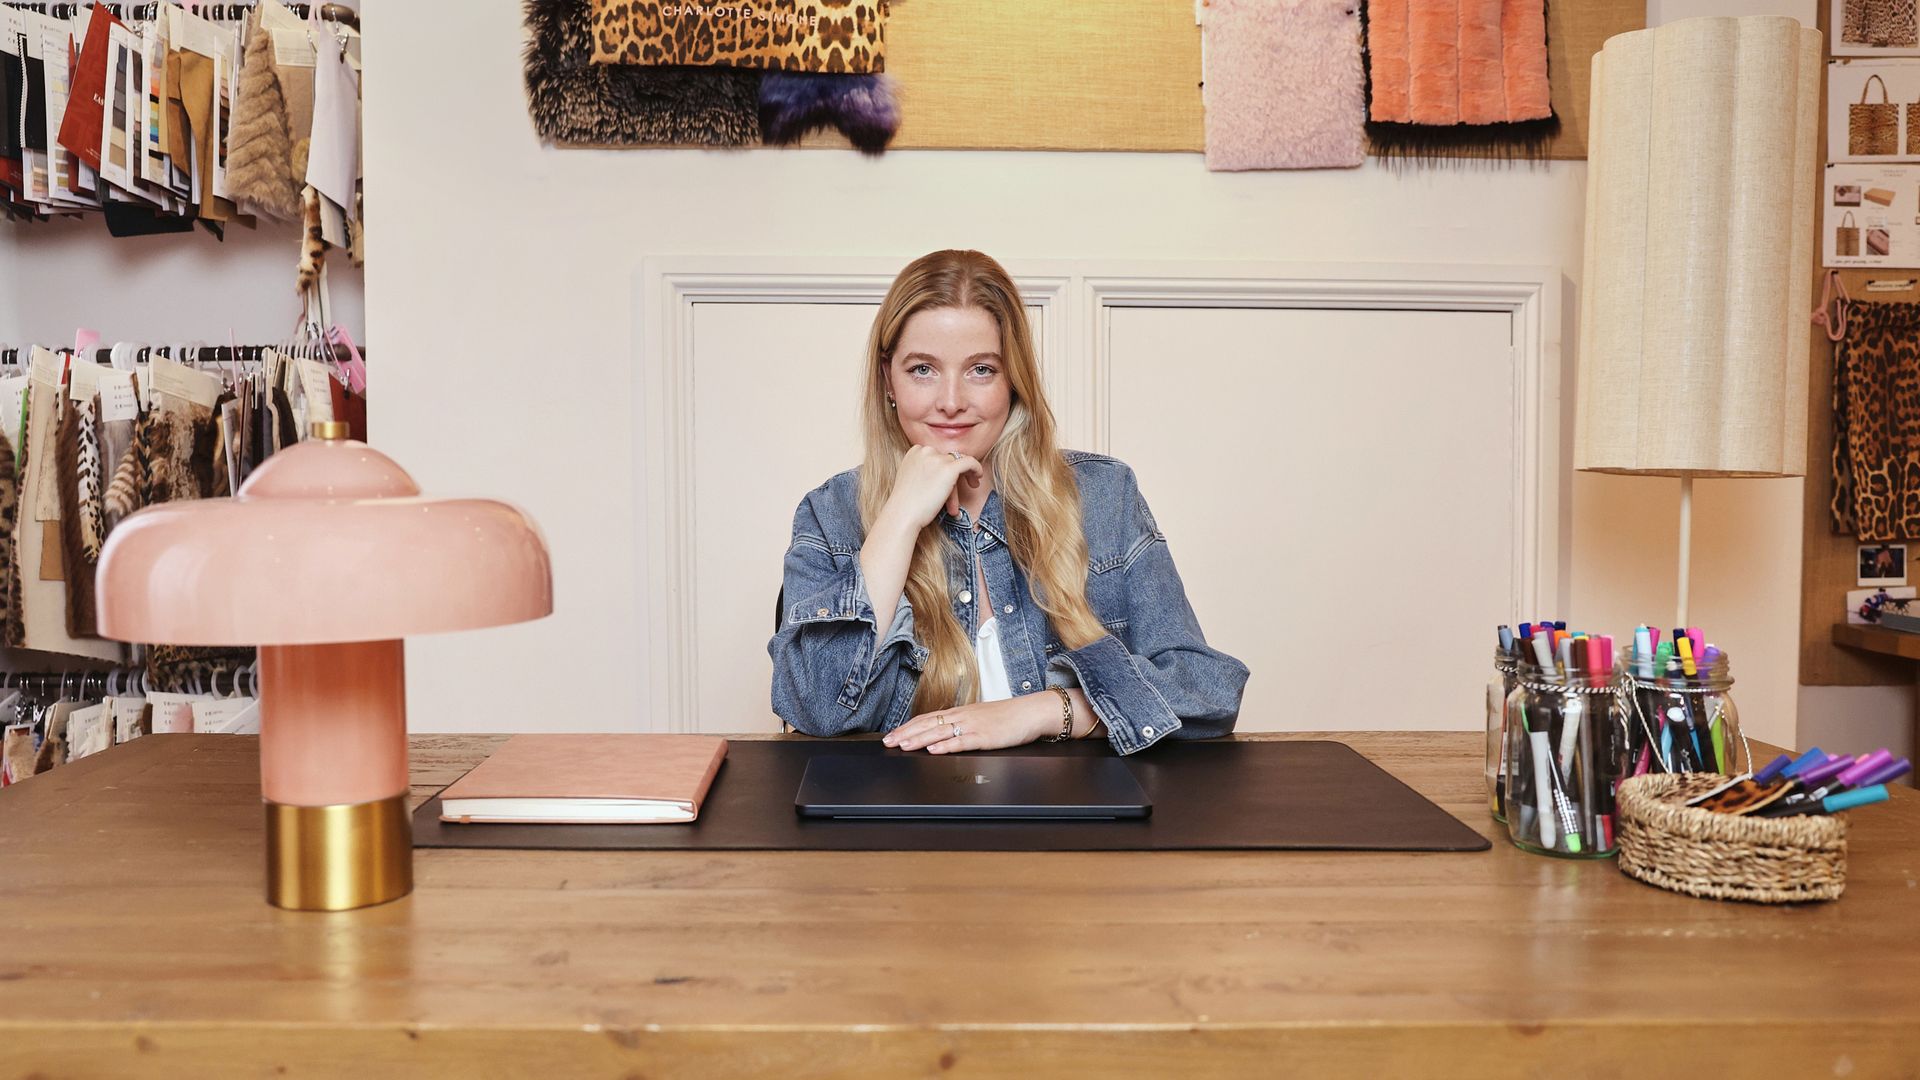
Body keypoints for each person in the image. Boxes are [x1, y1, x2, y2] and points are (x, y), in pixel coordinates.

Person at [768, 249, 1248, 755]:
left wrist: (1047, 711)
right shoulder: (830, 514)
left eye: (980, 369)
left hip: (1075, 802)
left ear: (1013, 379)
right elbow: (815, 707)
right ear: (889, 378)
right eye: (923, 369)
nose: (951, 401)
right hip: (904, 805)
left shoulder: (1105, 495)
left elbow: (1207, 689)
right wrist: (900, 518)